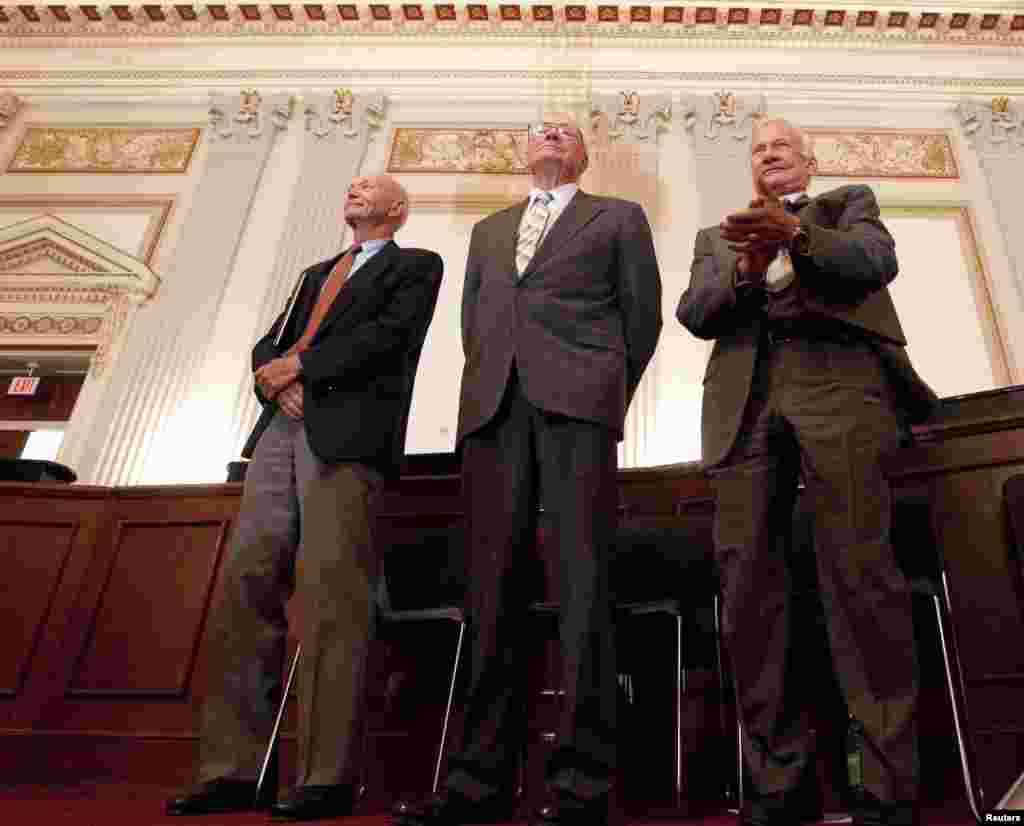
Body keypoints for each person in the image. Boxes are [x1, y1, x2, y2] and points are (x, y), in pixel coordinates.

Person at [393, 115, 662, 826]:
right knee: (491, 593)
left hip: (578, 407)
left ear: (583, 155)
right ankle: (477, 784)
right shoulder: (488, 231)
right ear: (523, 153)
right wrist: (491, 384)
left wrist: (601, 388)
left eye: (565, 132)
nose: (550, 136)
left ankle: (581, 785)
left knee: (582, 586)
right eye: (540, 131)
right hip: (494, 412)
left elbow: (643, 320)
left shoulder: (620, 217)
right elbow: (474, 322)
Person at [677, 117, 937, 826]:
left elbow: (871, 262)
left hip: (840, 386)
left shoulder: (848, 204)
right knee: (750, 589)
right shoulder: (716, 237)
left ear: (808, 161)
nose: (769, 154)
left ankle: (886, 787)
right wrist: (744, 270)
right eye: (758, 148)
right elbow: (695, 314)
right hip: (745, 401)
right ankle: (776, 788)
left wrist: (794, 237)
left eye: (781, 145)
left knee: (862, 577)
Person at [166, 174, 443, 821]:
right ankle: (232, 769)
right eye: (349, 183)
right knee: (246, 583)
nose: (353, 188)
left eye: (369, 186)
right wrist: (274, 376)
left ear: (396, 210)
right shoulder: (316, 270)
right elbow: (271, 342)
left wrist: (303, 370)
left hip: (346, 438)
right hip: (278, 432)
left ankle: (326, 775)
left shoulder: (415, 267)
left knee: (332, 595)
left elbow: (388, 338)